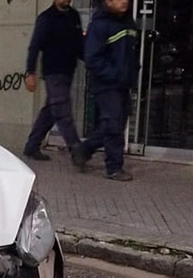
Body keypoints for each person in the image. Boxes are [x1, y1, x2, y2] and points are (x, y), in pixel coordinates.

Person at [71, 0, 139, 181]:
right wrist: (115, 74)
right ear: (107, 2)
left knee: (114, 125)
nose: (123, 1)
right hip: (106, 84)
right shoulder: (99, 25)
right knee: (113, 123)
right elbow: (92, 58)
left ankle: (84, 149)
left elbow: (130, 53)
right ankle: (114, 167)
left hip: (123, 83)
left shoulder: (128, 23)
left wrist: (132, 74)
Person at [22, 0, 85, 161]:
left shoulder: (74, 16)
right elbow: (34, 46)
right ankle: (76, 149)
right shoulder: (46, 18)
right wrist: (30, 72)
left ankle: (32, 146)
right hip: (53, 72)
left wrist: (92, 62)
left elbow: (79, 45)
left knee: (51, 110)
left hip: (68, 71)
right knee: (63, 110)